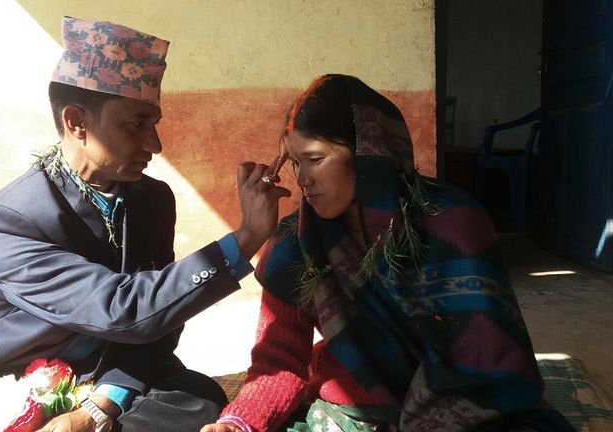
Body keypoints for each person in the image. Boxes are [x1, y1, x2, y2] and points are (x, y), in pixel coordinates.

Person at [0, 16, 289, 432]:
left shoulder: (154, 200)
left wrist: (101, 406)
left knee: (198, 399)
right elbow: (127, 309)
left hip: (119, 374)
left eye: (154, 123)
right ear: (76, 122)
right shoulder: (8, 220)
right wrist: (246, 236)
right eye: (137, 123)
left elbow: (162, 318)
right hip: (23, 377)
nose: (155, 144)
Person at [201, 74, 576, 432]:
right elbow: (279, 360)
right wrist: (239, 422)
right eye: (295, 163)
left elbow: (489, 357)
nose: (302, 180)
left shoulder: (452, 223)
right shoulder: (295, 244)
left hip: (466, 415)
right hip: (351, 414)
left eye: (315, 160)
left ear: (368, 154)